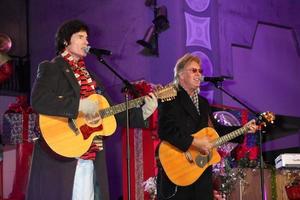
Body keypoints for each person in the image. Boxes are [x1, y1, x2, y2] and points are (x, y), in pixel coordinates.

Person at [26, 19, 157, 200]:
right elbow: (38, 100)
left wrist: (142, 113)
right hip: (61, 154)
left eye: (87, 37)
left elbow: (111, 112)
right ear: (66, 41)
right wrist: (78, 105)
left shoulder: (92, 77)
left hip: (89, 154)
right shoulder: (51, 67)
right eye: (80, 37)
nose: (86, 41)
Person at [156, 53, 258, 200]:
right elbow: (165, 130)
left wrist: (243, 129)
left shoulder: (203, 103)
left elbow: (216, 131)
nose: (199, 74)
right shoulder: (170, 97)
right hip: (179, 171)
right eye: (194, 70)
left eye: (200, 71)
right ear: (181, 74)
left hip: (201, 173)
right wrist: (195, 142)